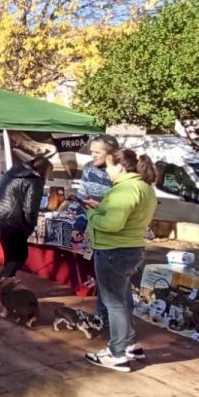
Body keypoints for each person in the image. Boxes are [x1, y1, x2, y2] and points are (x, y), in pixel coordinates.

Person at [82, 149, 159, 372]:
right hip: (130, 249)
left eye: (109, 166)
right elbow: (126, 215)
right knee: (122, 299)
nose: (106, 171)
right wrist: (100, 208)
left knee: (114, 303)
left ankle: (117, 353)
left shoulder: (125, 189)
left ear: (120, 166)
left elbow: (112, 224)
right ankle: (130, 344)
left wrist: (90, 214)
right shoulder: (144, 187)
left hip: (113, 251)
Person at [0, 156, 53, 296]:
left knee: (11, 254)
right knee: (19, 255)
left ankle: (6, 282)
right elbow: (30, 208)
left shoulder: (15, 171)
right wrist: (29, 227)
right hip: (10, 219)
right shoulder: (35, 181)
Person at [78, 135, 120, 325]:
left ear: (110, 153)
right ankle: (104, 316)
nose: (93, 155)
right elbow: (82, 198)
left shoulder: (120, 171)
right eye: (91, 151)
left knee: (114, 280)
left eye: (97, 152)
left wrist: (101, 207)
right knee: (102, 276)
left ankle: (115, 321)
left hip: (116, 231)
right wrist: (79, 224)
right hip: (97, 230)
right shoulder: (88, 168)